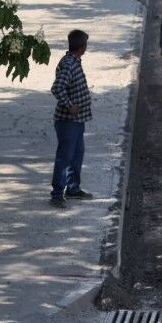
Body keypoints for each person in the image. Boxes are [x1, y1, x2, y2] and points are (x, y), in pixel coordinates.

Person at [49, 29, 93, 208]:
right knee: (65, 156)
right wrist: (70, 105)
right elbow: (57, 88)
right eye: (85, 44)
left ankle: (73, 188)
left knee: (77, 153)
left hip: (77, 120)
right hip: (68, 121)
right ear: (82, 46)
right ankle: (57, 194)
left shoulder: (74, 61)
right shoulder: (69, 64)